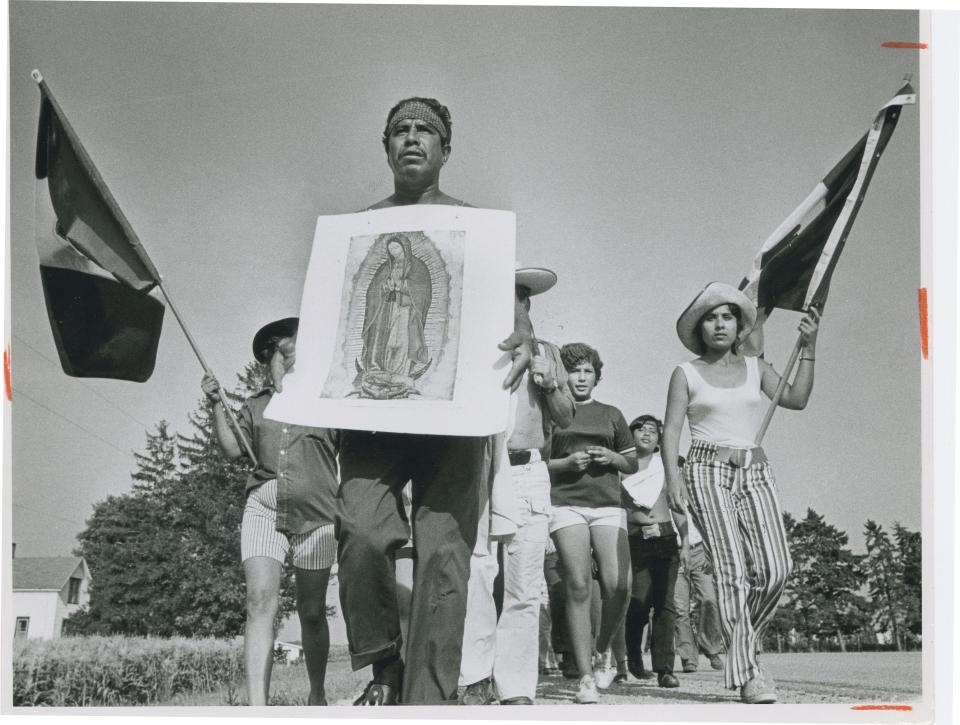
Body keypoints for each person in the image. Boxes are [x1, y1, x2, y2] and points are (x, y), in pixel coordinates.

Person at [269, 97, 536, 706]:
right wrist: (305, 360)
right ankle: (383, 662)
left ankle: (428, 700)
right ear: (385, 145)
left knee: (444, 556)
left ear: (446, 148)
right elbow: (338, 314)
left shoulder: (475, 225)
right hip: (373, 414)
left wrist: (525, 332)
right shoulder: (360, 228)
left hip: (455, 416)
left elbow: (509, 301)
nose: (412, 139)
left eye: (427, 131)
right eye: (401, 131)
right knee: (361, 532)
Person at [662, 282, 820, 704]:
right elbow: (671, 432)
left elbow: (796, 398)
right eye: (711, 318)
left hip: (756, 468)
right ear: (700, 328)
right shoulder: (686, 372)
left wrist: (808, 345)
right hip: (705, 468)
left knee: (777, 568)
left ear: (738, 326)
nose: (719, 324)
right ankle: (750, 674)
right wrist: (673, 481)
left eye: (727, 317)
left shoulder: (756, 368)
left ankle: (739, 643)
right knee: (731, 571)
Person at [201, 317, 338, 706]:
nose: (282, 355)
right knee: (260, 602)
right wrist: (216, 403)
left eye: (289, 347)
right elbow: (232, 448)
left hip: (317, 512)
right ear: (268, 361)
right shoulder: (258, 403)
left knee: (312, 610)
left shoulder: (326, 399)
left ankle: (317, 695)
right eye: (274, 352)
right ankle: (257, 707)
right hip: (263, 504)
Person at [459, 266, 575, 706]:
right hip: (478, 468)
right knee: (477, 572)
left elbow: (565, 418)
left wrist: (550, 385)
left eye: (520, 297)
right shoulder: (473, 348)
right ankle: (474, 677)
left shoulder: (547, 350)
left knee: (525, 584)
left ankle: (516, 688)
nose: (513, 304)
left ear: (528, 304)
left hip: (527, 469)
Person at [547, 342, 637, 704]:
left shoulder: (612, 414)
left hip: (607, 505)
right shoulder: (552, 414)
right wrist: (566, 465)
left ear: (597, 376)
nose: (581, 377)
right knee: (579, 585)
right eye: (573, 370)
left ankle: (603, 651)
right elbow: (537, 462)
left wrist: (613, 456)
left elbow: (631, 463)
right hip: (566, 504)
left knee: (618, 586)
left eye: (587, 371)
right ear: (563, 376)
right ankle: (584, 676)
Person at [620, 414, 684, 689]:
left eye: (653, 431)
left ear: (659, 440)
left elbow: (679, 505)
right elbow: (613, 507)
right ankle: (633, 654)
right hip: (635, 540)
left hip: (666, 536)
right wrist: (631, 517)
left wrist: (688, 538)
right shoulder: (622, 468)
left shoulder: (666, 468)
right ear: (631, 434)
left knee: (666, 604)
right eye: (641, 429)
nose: (647, 434)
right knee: (639, 602)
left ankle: (665, 669)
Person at [673, 514, 725, 674]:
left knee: (709, 599)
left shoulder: (692, 493)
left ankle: (711, 648)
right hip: (673, 553)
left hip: (699, 550)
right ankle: (688, 656)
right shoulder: (659, 493)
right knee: (680, 608)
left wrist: (712, 553)